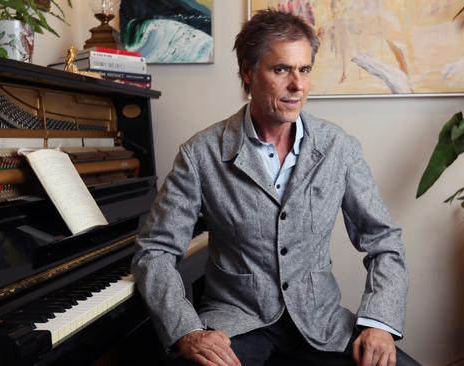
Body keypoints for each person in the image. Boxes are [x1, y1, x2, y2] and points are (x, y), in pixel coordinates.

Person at [132, 9, 408, 366]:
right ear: (248, 72)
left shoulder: (339, 148)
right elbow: (153, 251)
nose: (298, 85)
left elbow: (385, 242)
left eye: (304, 70)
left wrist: (380, 324)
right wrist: (187, 329)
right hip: (235, 325)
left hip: (321, 324)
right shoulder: (200, 154)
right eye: (281, 70)